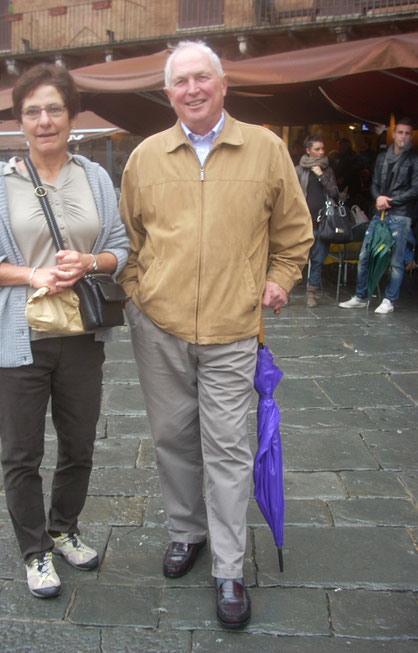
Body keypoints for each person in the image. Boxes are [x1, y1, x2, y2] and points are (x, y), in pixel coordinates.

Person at [118, 41, 313, 629]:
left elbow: (295, 231)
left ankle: (229, 566)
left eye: (203, 78)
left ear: (223, 85)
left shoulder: (265, 148)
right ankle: (186, 531)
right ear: (169, 92)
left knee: (226, 447)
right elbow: (128, 237)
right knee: (172, 439)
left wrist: (281, 278)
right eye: (181, 82)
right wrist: (139, 290)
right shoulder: (145, 157)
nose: (193, 89)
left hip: (232, 329)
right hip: (160, 326)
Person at [0, 64, 129, 598]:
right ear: (21, 120)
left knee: (79, 445)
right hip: (18, 340)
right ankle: (35, 551)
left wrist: (90, 263)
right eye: (33, 111)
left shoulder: (96, 177)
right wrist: (31, 273)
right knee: (21, 453)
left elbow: (122, 250)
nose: (45, 119)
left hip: (80, 337)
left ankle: (63, 527)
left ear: (72, 116)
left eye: (55, 108)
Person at [339, 117, 418, 314]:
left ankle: (389, 300)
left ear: (411, 135)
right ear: (394, 133)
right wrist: (378, 198)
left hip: (400, 215)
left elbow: (415, 189)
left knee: (396, 262)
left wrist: (390, 201)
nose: (403, 136)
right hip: (380, 213)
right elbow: (374, 183)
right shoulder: (383, 156)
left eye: (407, 133)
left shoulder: (414, 159)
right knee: (366, 254)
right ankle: (361, 295)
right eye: (400, 132)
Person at [296, 135, 339, 307]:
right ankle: (286, 291)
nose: (321, 152)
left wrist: (321, 175)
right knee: (296, 259)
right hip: (302, 223)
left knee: (318, 259)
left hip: (323, 223)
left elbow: (335, 192)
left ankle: (311, 293)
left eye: (323, 149)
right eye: (317, 149)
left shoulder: (327, 170)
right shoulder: (298, 170)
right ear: (308, 150)